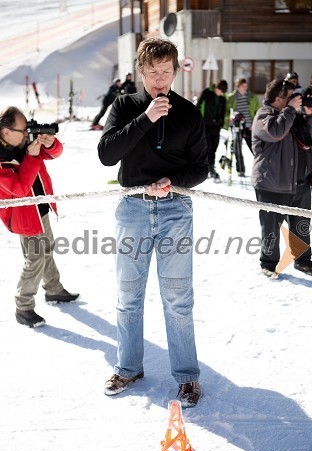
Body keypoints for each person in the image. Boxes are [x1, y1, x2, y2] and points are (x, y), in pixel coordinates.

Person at [98, 38, 208, 408]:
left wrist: (172, 182)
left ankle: (187, 377)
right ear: (141, 72)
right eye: (152, 72)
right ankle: (128, 367)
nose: (160, 80)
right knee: (128, 295)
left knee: (178, 298)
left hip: (175, 209)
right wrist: (146, 118)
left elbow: (199, 167)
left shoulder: (190, 113)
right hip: (132, 208)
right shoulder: (125, 105)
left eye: (166, 71)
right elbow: (106, 155)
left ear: (175, 71)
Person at [0, 106, 79, 328]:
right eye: (23, 130)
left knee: (47, 248)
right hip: (23, 214)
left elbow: (55, 153)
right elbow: (19, 188)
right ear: (6, 132)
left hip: (39, 206)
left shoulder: (23, 142)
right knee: (35, 258)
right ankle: (23, 306)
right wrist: (32, 157)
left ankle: (53, 289)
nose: (27, 134)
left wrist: (49, 143)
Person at [251, 79, 312, 278]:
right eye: (291, 96)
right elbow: (276, 132)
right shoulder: (263, 116)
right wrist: (290, 110)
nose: (296, 100)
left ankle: (303, 262)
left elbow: (311, 137)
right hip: (272, 184)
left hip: (299, 183)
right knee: (271, 228)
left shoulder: (292, 115)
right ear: (279, 98)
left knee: (302, 226)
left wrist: (311, 115)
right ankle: (269, 264)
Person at [224, 77, 260, 175]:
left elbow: (258, 111)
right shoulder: (231, 97)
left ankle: (260, 169)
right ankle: (240, 170)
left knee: (255, 149)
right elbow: (226, 111)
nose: (245, 88)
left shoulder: (252, 96)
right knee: (237, 149)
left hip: (250, 127)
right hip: (236, 127)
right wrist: (230, 117)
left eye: (246, 86)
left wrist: (256, 124)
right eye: (243, 86)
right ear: (238, 86)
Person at [197, 80, 226, 181]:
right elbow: (199, 105)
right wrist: (199, 121)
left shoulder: (222, 98)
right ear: (217, 88)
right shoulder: (207, 93)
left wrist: (221, 123)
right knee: (208, 147)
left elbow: (223, 112)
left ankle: (210, 167)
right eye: (221, 91)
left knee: (214, 147)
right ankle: (210, 168)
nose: (221, 94)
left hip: (216, 126)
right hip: (206, 125)